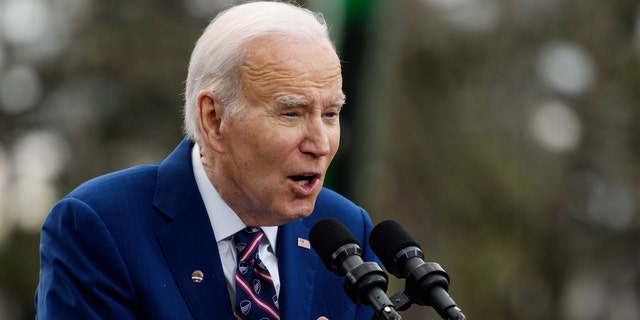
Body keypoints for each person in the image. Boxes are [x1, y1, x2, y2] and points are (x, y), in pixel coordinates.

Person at [34, 1, 379, 319]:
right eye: (291, 113)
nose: (320, 144)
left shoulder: (348, 231)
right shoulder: (100, 226)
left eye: (331, 113)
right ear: (213, 118)